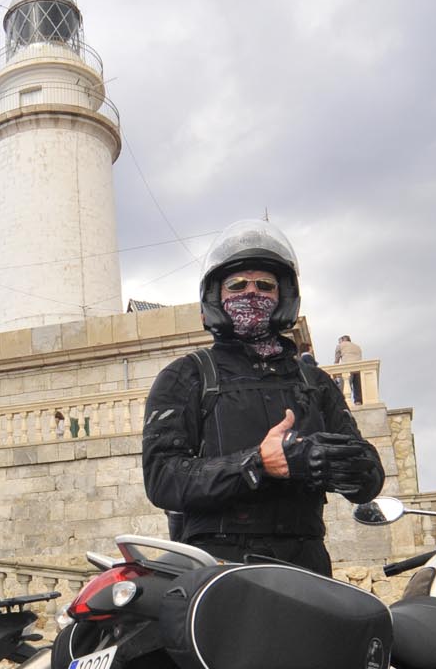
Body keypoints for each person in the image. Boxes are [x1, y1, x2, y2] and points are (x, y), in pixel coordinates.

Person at [142, 220, 384, 574]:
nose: (252, 292)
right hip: (220, 567)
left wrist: (336, 463)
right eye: (237, 284)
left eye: (265, 285)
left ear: (283, 296)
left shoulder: (314, 382)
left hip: (306, 565)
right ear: (216, 296)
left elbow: (369, 480)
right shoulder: (186, 376)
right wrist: (255, 463)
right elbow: (163, 477)